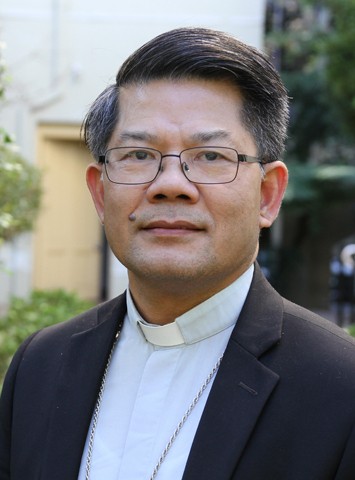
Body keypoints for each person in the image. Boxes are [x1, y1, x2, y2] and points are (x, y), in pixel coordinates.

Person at [1, 27, 355, 480]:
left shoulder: (339, 387)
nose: (170, 185)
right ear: (99, 193)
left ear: (268, 195)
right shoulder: (40, 365)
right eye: (138, 154)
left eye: (210, 156)